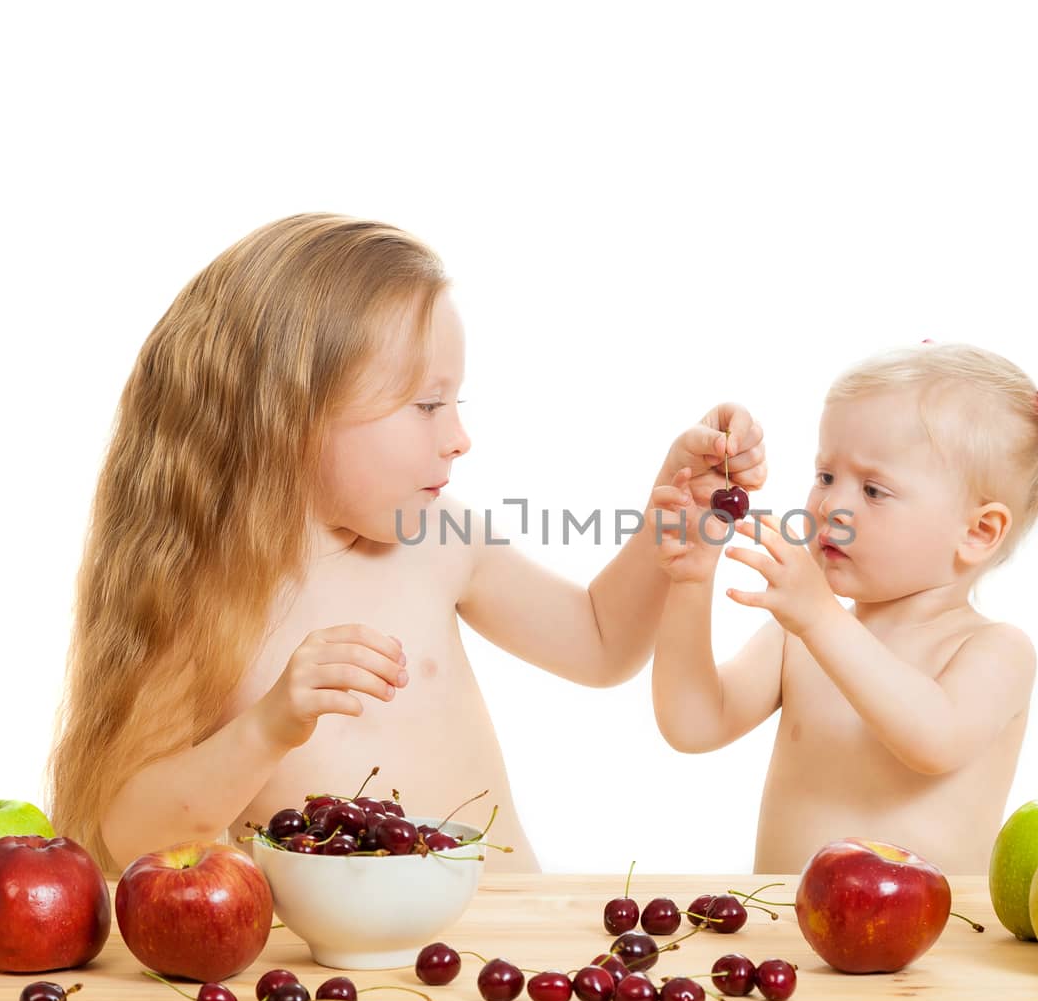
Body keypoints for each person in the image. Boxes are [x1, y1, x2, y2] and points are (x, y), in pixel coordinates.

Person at [46, 213, 766, 873]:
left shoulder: (441, 538)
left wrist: (666, 513)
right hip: (352, 995)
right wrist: (269, 726)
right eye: (426, 405)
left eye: (456, 403)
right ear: (288, 415)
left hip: (508, 955)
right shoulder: (201, 594)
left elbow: (601, 642)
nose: (458, 438)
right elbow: (132, 832)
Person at [649, 342, 1038, 873]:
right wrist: (689, 582)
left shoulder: (996, 650)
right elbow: (692, 724)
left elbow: (932, 741)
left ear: (978, 532)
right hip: (788, 943)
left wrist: (820, 616)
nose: (830, 506)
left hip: (935, 950)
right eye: (825, 476)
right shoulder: (798, 634)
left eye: (873, 489)